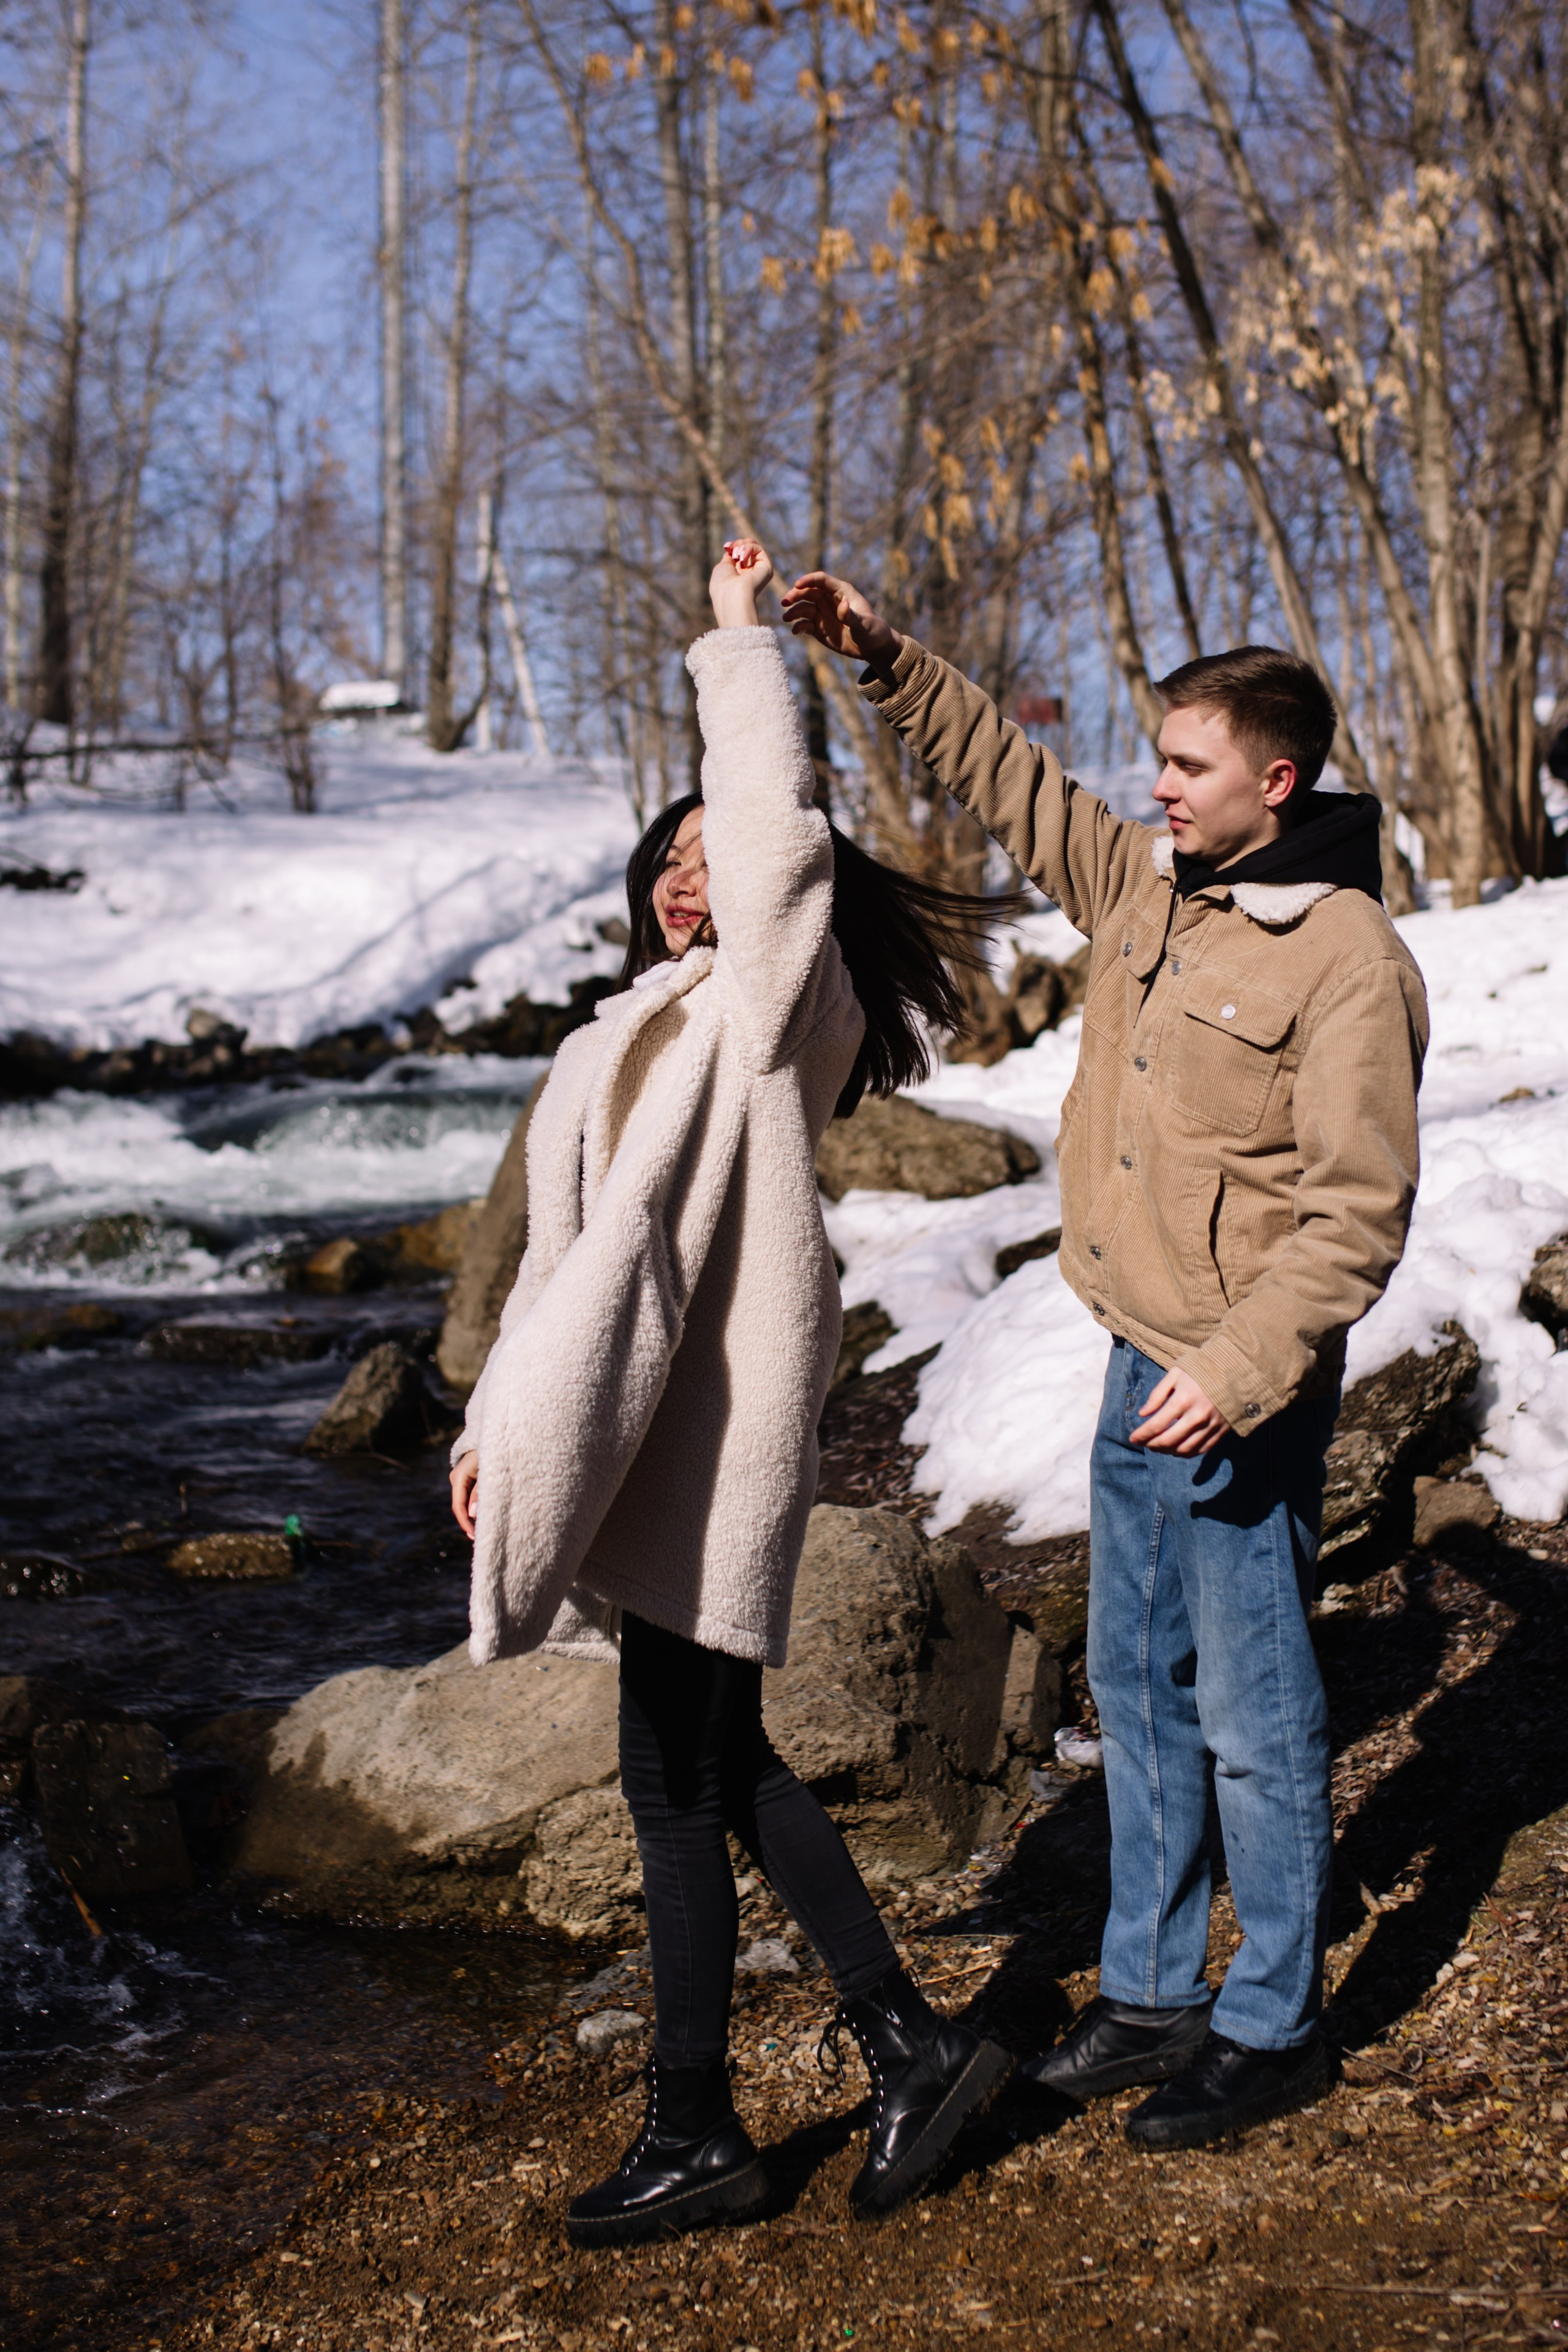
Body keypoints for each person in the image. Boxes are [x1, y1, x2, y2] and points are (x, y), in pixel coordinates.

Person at [782, 570, 1429, 2150]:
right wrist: (883, 659)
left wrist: (1244, 1364)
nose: (1156, 785)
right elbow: (1017, 783)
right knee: (1135, 1689)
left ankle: (1276, 2021)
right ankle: (1147, 1993)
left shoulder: (1345, 957)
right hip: (1131, 1359)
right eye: (1155, 759)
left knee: (1256, 1710)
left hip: (1234, 1388)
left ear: (1274, 782)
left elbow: (1358, 1213)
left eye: (1187, 765)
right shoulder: (1152, 887)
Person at [450, 539, 1012, 2247]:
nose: (692, 884)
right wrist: (490, 1431)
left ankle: (707, 2121)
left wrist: (736, 641)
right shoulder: (624, 1030)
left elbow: (773, 844)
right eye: (670, 866)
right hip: (632, 1437)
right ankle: (897, 2048)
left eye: (718, 858)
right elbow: (557, 1263)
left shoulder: (781, 1006)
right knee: (714, 1761)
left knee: (678, 1779)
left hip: (712, 1445)